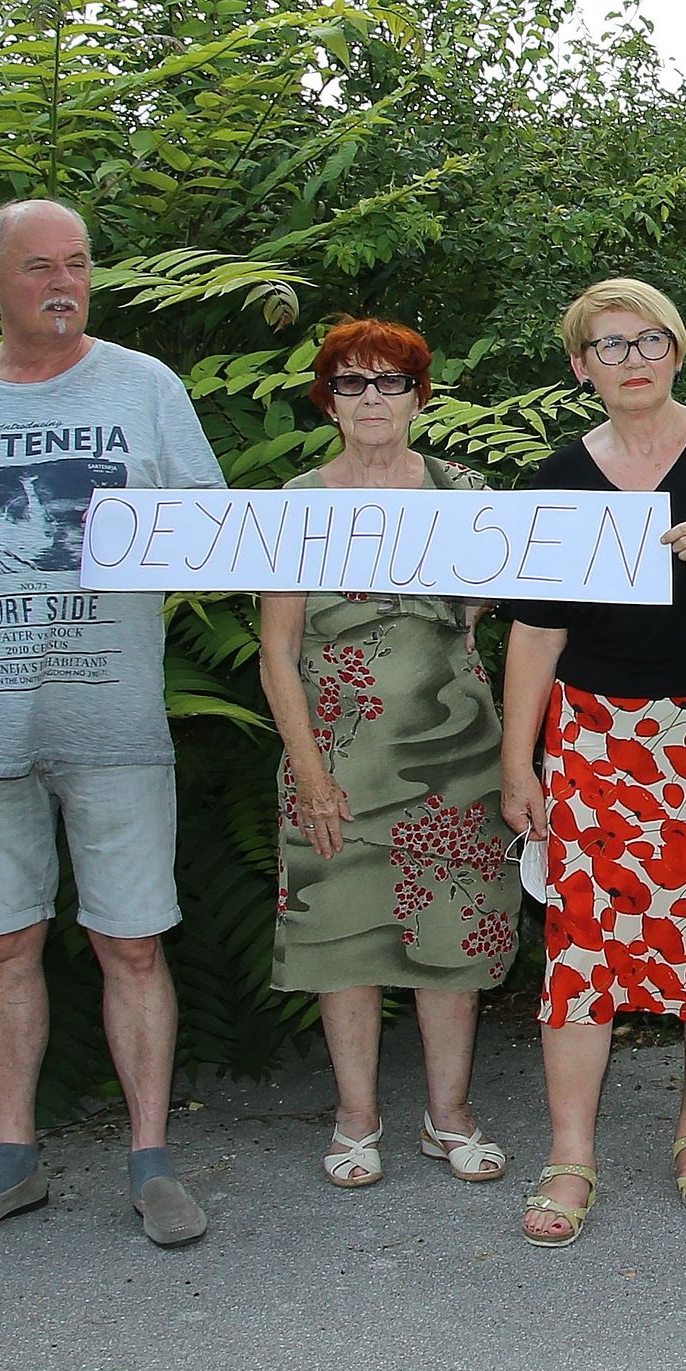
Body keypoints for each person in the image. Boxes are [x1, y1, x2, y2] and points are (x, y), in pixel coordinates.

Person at [0, 199, 225, 1250]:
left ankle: (152, 1160)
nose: (62, 283)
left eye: (76, 264)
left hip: (115, 718)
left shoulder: (146, 388)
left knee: (131, 943)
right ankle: (11, 1159)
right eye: (37, 268)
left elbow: (211, 533)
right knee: (2, 944)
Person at [495, 279, 686, 1246]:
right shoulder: (557, 477)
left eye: (647, 341)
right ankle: (571, 1153)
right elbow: (535, 633)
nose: (630, 360)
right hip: (599, 735)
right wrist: (521, 762)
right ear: (581, 365)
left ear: (676, 350)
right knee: (583, 945)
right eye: (608, 345)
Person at [254, 319, 516, 1193]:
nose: (373, 398)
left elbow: (481, 616)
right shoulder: (292, 503)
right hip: (333, 760)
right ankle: (355, 1119)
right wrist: (311, 773)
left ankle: (452, 1117)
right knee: (344, 940)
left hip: (454, 756)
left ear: (419, 396)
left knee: (453, 941)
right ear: (327, 398)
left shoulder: (466, 491)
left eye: (391, 382)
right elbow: (275, 651)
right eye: (354, 383)